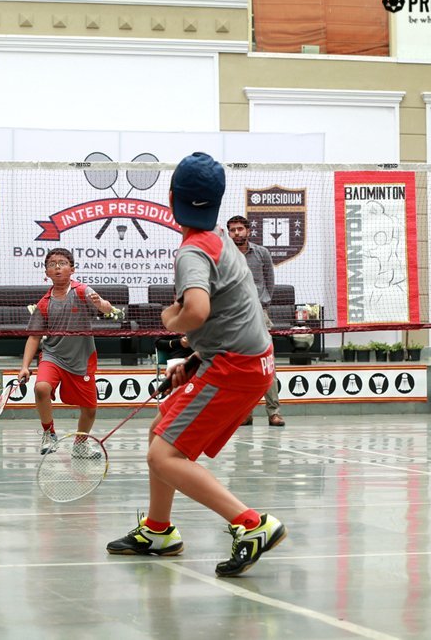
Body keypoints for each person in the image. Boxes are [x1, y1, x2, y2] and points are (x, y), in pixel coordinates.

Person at [106, 152, 286, 577]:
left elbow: (199, 310)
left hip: (234, 369)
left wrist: (172, 320)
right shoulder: (222, 240)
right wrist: (194, 357)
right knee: (159, 432)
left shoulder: (191, 251)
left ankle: (252, 524)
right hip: (243, 361)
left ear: (171, 198)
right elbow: (235, 314)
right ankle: (158, 530)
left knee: (163, 456)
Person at [18, 248, 121, 456]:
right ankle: (49, 433)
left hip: (81, 358)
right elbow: (34, 337)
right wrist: (24, 367)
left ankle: (80, 444)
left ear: (72, 269)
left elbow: (108, 309)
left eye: (63, 263)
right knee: (41, 388)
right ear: (46, 272)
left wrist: (100, 303)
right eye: (52, 263)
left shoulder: (83, 291)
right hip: (53, 356)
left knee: (90, 408)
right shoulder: (44, 304)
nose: (57, 267)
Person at [226, 215, 285, 427]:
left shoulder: (262, 253)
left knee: (267, 363)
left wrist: (262, 305)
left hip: (259, 313)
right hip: (235, 315)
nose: (237, 233)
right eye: (232, 230)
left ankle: (274, 413)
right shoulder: (224, 255)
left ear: (248, 231)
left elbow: (270, 282)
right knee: (242, 366)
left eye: (240, 229)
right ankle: (245, 413)